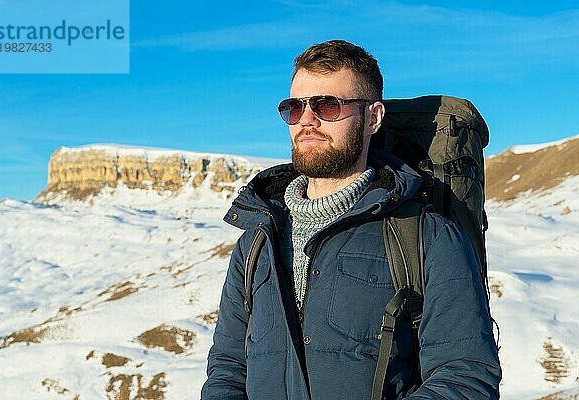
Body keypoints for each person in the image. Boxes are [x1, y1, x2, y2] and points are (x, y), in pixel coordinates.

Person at [201, 40, 501, 400]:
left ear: (372, 118)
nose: (307, 120)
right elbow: (227, 371)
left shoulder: (427, 236)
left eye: (327, 105)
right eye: (294, 108)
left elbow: (465, 377)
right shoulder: (256, 241)